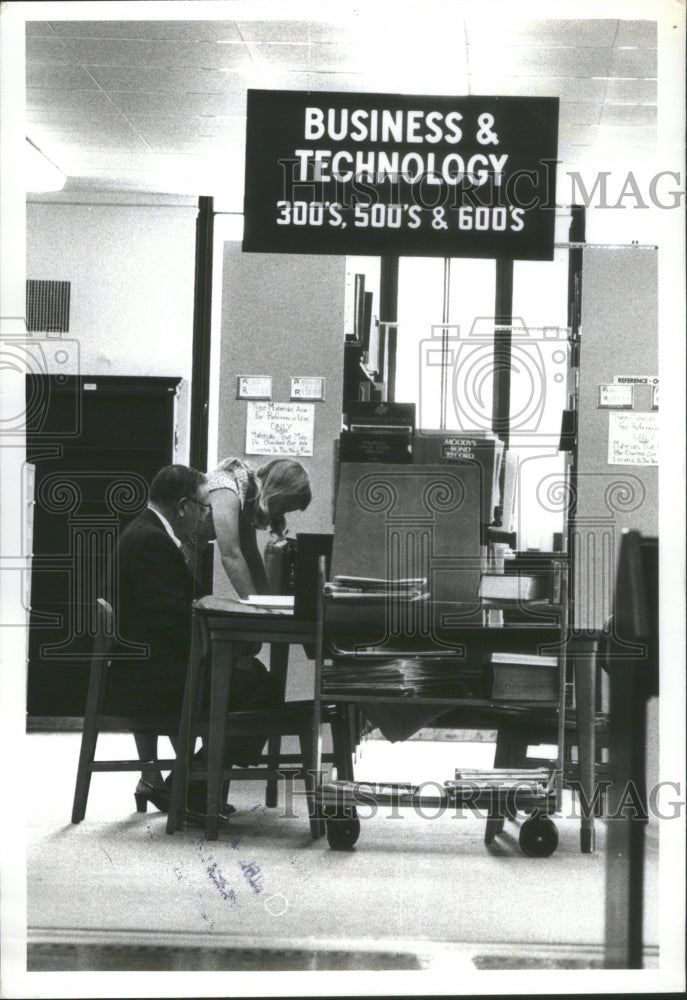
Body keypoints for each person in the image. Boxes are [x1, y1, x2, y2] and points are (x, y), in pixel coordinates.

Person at [206, 457, 312, 598]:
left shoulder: (246, 495)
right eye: (284, 506)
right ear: (276, 491)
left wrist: (266, 603)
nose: (281, 514)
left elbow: (251, 555)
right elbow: (231, 555)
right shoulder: (227, 487)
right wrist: (255, 608)